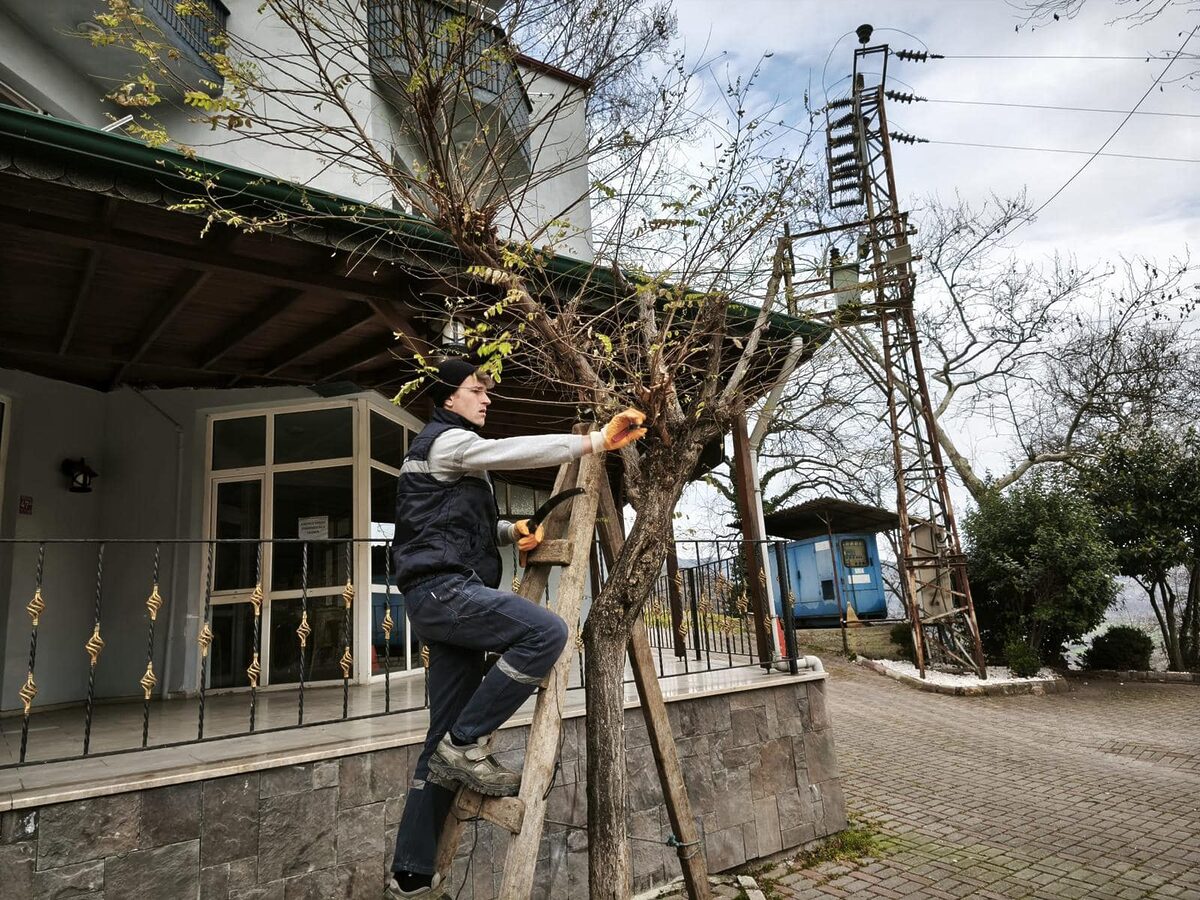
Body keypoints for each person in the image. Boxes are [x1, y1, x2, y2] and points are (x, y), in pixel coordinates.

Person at [386, 358, 646, 899]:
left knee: (436, 740)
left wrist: (511, 530)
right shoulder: (447, 442)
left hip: (439, 591)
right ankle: (468, 742)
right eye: (475, 390)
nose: (485, 398)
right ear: (448, 398)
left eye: (486, 391)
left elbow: (461, 524)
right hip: (443, 591)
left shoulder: (449, 457)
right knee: (546, 634)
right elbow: (513, 449)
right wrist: (595, 442)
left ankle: (409, 875)